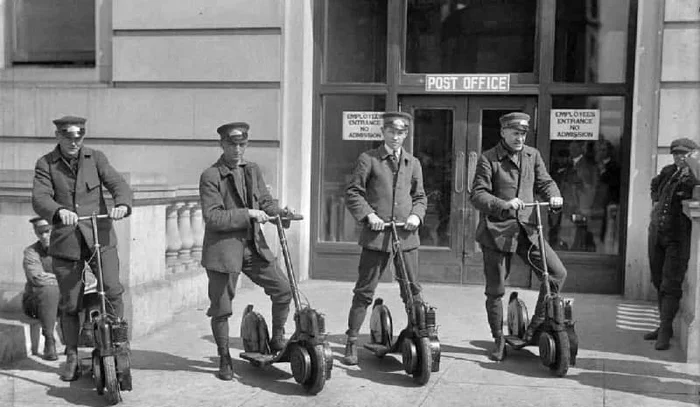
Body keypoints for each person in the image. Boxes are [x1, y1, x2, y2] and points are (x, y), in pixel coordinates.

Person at [32, 116, 132, 381]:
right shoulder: (46, 164)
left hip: (100, 235)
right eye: (68, 137)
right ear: (58, 136)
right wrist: (58, 211)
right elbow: (40, 198)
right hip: (67, 240)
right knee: (70, 303)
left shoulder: (96, 158)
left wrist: (121, 203)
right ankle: (73, 355)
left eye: (78, 137)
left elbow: (118, 184)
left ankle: (119, 345)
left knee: (111, 289)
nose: (74, 142)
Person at [470, 112, 568, 361]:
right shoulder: (488, 159)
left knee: (556, 274)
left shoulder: (532, 155)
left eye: (523, 133)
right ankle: (498, 339)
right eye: (515, 132)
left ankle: (535, 326)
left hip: (527, 229)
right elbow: (478, 195)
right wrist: (504, 204)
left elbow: (545, 182)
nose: (519, 138)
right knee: (496, 290)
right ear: (503, 132)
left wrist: (554, 195)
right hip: (497, 232)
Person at [199, 122, 292, 381]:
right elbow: (213, 218)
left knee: (283, 289)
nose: (237, 149)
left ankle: (277, 338)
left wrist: (279, 213)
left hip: (253, 247)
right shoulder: (211, 176)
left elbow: (265, 201)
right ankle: (225, 357)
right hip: (223, 251)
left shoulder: (252, 170)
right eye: (232, 144)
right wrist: (248, 214)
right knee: (222, 308)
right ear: (222, 145)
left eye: (242, 144)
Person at [342, 111, 428, 366]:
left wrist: (416, 216)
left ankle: (417, 338)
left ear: (406, 134)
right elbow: (353, 193)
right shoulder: (368, 159)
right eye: (391, 131)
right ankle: (351, 341)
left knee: (412, 290)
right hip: (377, 237)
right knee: (364, 291)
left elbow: (420, 196)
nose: (396, 136)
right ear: (383, 132)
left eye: (401, 132)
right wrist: (369, 215)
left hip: (406, 235)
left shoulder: (413, 163)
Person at [645, 137, 699, 350]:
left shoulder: (694, 176)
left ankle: (666, 330)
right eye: (676, 154)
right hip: (657, 233)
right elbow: (654, 185)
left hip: (678, 237)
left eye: (684, 154)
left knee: (671, 282)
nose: (679, 157)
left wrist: (694, 165)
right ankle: (662, 325)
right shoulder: (668, 172)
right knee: (658, 279)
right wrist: (655, 202)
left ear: (693, 154)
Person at [21, 217, 60, 361]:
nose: (44, 236)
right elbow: (37, 278)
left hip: (62, 301)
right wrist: (63, 279)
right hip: (36, 303)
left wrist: (53, 277)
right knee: (49, 290)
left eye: (47, 231)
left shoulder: (69, 250)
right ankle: (49, 340)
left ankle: (80, 336)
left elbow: (86, 276)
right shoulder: (31, 251)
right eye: (39, 233)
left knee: (85, 290)